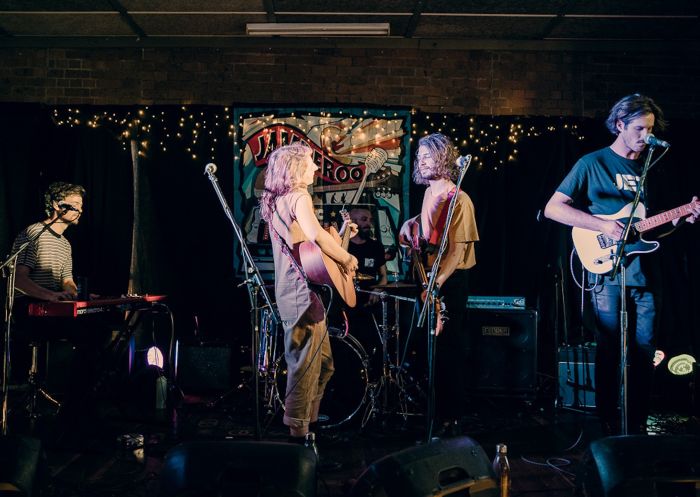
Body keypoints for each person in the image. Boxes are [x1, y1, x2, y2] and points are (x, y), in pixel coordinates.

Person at [544, 93, 700, 435]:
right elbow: (553, 208)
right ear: (620, 126)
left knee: (645, 351)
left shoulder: (655, 168)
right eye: (641, 129)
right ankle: (607, 421)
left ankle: (637, 423)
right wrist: (602, 225)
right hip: (608, 272)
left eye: (650, 129)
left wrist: (681, 219)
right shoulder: (592, 163)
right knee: (610, 348)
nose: (647, 136)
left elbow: (654, 228)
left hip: (647, 275)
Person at [259, 143, 358, 442]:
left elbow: (313, 251)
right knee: (303, 369)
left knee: (324, 365)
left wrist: (341, 238)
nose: (316, 168)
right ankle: (299, 436)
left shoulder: (280, 200)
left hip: (301, 293)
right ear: (296, 168)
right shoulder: (299, 196)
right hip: (302, 295)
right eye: (311, 163)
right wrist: (346, 258)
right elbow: (316, 237)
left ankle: (308, 430)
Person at [398, 133, 479, 434]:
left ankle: (449, 417)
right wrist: (412, 223)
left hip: (449, 279)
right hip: (428, 277)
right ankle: (430, 413)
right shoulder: (430, 193)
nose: (421, 160)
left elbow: (457, 251)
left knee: (447, 349)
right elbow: (433, 229)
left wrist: (437, 284)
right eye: (419, 156)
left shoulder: (459, 198)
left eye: (428, 155)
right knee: (428, 349)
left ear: (444, 158)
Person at [12, 182, 85, 302]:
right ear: (56, 205)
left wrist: (80, 296)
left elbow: (67, 281)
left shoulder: (65, 244)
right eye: (76, 204)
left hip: (53, 303)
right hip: (31, 304)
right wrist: (50, 295)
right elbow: (18, 279)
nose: (80, 210)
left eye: (81, 205)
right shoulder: (34, 233)